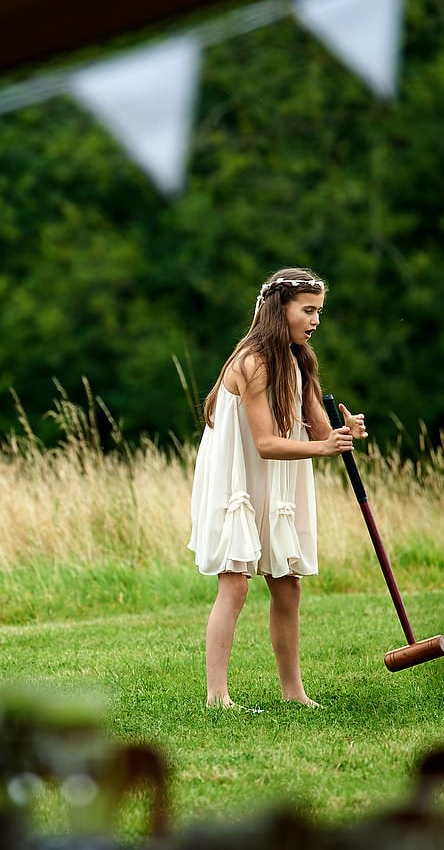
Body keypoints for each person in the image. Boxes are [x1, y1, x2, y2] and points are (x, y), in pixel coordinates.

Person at [187, 267, 368, 709]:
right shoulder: (253, 363)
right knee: (235, 584)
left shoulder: (298, 357)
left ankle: (293, 693)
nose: (315, 321)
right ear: (278, 308)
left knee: (289, 586)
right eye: (307, 310)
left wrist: (344, 431)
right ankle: (217, 697)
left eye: (318, 311)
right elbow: (265, 444)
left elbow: (317, 424)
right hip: (239, 478)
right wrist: (324, 448)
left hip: (277, 481)